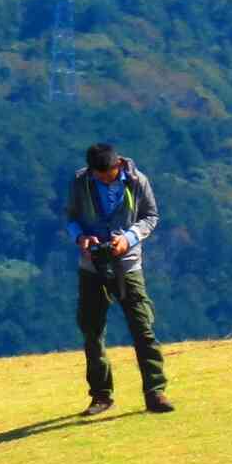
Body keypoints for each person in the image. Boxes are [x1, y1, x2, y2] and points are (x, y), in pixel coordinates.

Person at [65, 142, 171, 415]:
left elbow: (150, 216)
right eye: (98, 176)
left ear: (118, 166)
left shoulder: (137, 181)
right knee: (92, 330)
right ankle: (101, 395)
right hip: (92, 265)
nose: (103, 179)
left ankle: (155, 391)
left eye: (107, 175)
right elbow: (71, 217)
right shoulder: (80, 182)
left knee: (142, 326)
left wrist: (129, 238)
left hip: (128, 264)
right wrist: (81, 237)